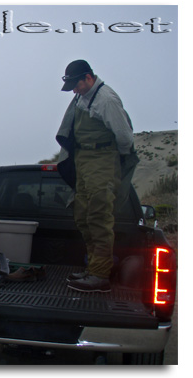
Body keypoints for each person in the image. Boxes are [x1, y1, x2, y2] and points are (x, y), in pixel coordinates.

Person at [55, 60, 139, 293]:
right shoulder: (84, 96)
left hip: (101, 161)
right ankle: (93, 268)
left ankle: (100, 275)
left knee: (98, 218)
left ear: (89, 77)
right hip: (84, 161)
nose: (74, 90)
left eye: (77, 84)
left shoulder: (106, 100)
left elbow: (125, 139)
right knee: (83, 216)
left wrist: (109, 162)